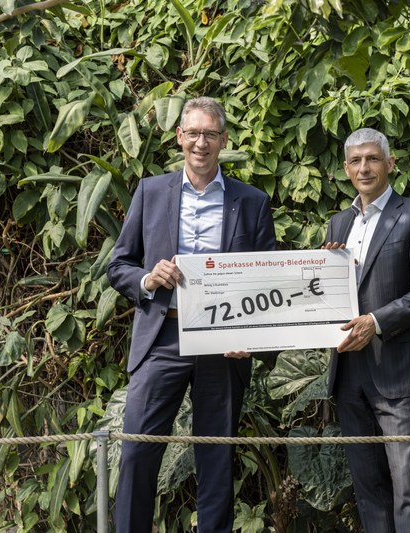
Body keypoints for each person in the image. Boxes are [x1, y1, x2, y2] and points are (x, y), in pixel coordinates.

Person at [107, 96, 276, 532]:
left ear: (223, 140)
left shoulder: (252, 201)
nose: (201, 142)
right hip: (163, 335)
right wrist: (148, 278)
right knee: (137, 450)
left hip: (224, 345)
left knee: (216, 457)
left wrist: (253, 338)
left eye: (211, 134)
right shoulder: (150, 191)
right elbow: (119, 265)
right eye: (193, 133)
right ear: (180, 137)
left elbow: (268, 279)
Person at [323, 128, 410, 533]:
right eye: (356, 161)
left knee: (407, 484)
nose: (364, 168)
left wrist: (376, 322)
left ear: (390, 164)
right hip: (348, 372)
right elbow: (327, 296)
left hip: (399, 372)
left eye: (373, 159)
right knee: (368, 487)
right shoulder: (337, 224)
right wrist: (321, 275)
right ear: (345, 169)